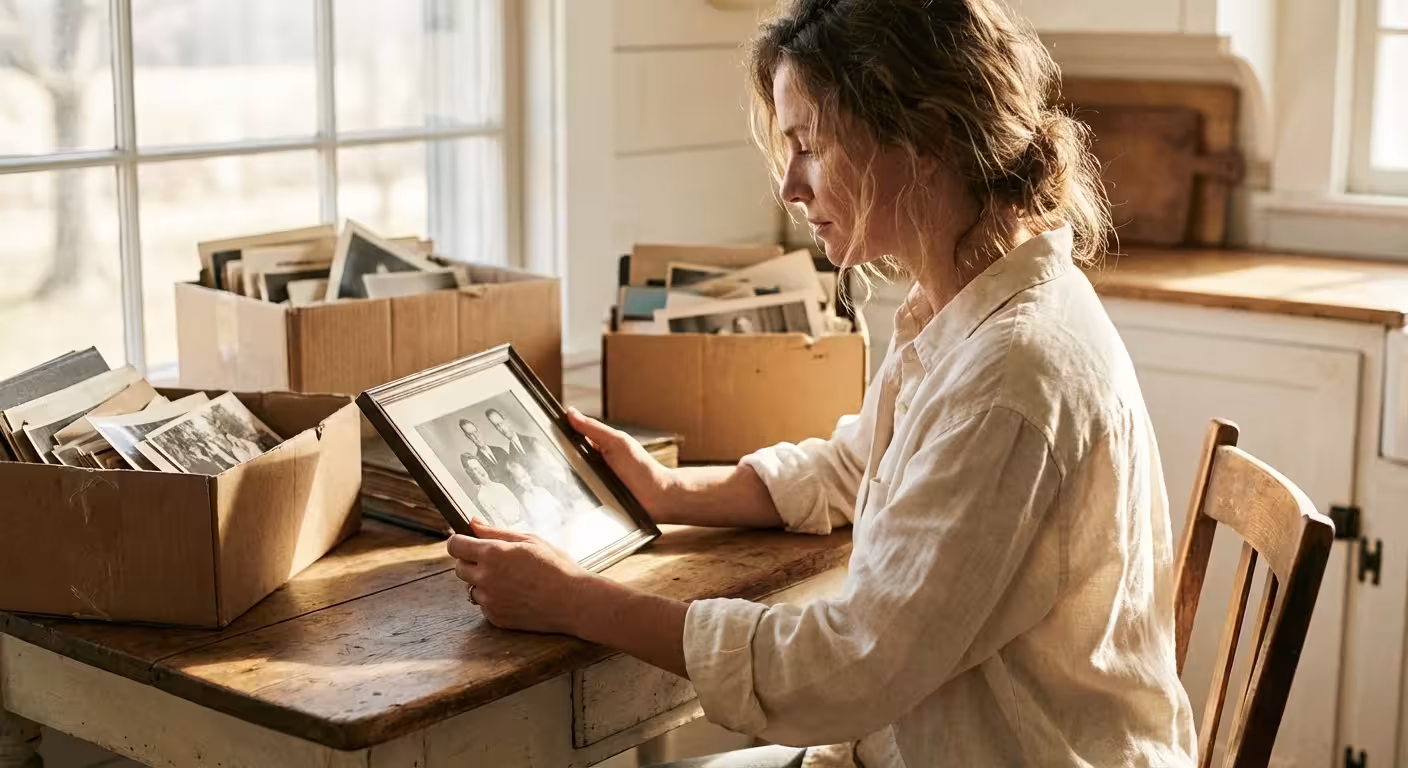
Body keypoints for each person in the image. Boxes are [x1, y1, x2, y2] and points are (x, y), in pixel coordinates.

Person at [447, 0, 1196, 765]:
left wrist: (576, 602)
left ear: (925, 137)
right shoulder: (965, 304)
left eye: (808, 144)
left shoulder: (1010, 375)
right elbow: (853, 466)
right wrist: (668, 493)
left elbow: (854, 661)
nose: (789, 188)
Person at [458, 453, 525, 529]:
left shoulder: (500, 486)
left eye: (479, 466)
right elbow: (498, 522)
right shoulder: (482, 496)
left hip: (525, 524)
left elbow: (519, 506)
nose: (480, 470)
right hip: (514, 530)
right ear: (471, 474)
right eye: (475, 469)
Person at [505, 460, 567, 540]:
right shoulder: (525, 499)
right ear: (517, 482)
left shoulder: (541, 490)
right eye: (519, 479)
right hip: (548, 531)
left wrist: (563, 518)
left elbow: (558, 506)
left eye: (524, 476)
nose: (524, 481)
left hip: (560, 524)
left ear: (528, 475)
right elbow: (534, 520)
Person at [457, 417, 511, 485]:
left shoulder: (499, 450)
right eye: (471, 434)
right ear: (468, 437)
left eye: (475, 432)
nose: (476, 436)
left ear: (479, 430)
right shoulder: (478, 463)